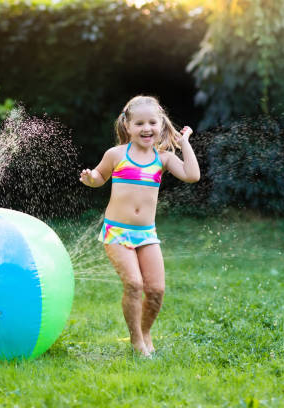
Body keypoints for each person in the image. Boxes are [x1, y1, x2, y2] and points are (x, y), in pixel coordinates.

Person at [80, 95, 200, 357]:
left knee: (156, 290)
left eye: (152, 123)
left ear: (161, 125)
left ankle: (145, 333)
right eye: (140, 123)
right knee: (134, 284)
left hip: (147, 234)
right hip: (117, 232)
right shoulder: (116, 154)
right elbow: (100, 177)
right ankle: (136, 341)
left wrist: (185, 144)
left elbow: (192, 175)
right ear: (128, 126)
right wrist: (91, 179)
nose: (147, 128)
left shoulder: (163, 158)